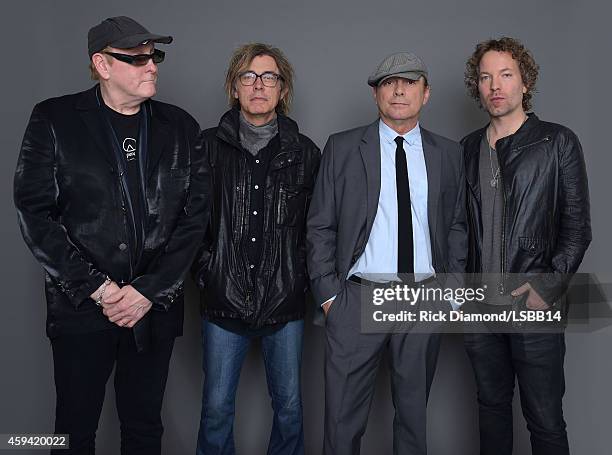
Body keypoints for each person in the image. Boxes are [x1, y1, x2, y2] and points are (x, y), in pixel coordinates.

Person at [14, 16, 210, 455]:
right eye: (136, 58)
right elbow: (35, 212)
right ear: (102, 65)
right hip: (81, 307)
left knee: (143, 428)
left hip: (152, 310)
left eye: (153, 56)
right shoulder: (54, 118)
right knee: (71, 431)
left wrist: (147, 291)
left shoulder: (181, 127)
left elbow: (195, 219)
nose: (152, 66)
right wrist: (99, 289)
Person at [306, 52, 467, 455]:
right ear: (376, 93)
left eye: (410, 82)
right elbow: (320, 225)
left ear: (426, 94)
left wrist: (451, 291)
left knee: (413, 421)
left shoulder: (448, 154)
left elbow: (457, 226)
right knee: (342, 424)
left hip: (422, 297)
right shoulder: (342, 148)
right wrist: (329, 296)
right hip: (357, 297)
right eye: (389, 82)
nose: (399, 90)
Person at [461, 36, 591, 455]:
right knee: (492, 411)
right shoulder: (465, 149)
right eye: (485, 77)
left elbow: (577, 227)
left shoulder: (558, 142)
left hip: (534, 308)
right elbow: (457, 227)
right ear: (477, 87)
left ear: (524, 82)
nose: (495, 86)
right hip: (480, 311)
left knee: (545, 420)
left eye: (505, 75)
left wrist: (548, 287)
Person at [192, 43, 320, 455]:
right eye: (248, 76)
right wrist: (208, 270)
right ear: (234, 87)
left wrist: (297, 275)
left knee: (289, 409)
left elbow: (316, 230)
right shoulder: (207, 147)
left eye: (269, 77)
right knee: (215, 409)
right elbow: (190, 224)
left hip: (284, 302)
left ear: (282, 90)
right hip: (222, 298)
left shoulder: (306, 153)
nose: (258, 85)